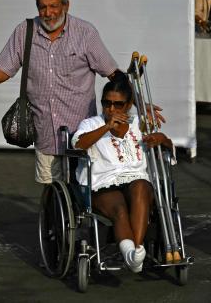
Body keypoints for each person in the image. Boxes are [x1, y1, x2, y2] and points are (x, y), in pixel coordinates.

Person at [0, 0, 164, 184]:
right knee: (52, 194)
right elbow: (4, 70)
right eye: (43, 7)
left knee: (83, 192)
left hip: (82, 134)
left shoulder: (85, 33)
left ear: (66, 5)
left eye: (54, 6)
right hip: (45, 132)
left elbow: (114, 75)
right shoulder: (25, 32)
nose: (48, 13)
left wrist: (139, 103)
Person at [72, 75, 172, 273]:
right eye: (106, 103)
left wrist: (163, 139)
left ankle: (133, 253)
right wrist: (107, 127)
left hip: (137, 181)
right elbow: (78, 144)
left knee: (142, 186)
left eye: (118, 104)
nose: (111, 109)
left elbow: (168, 150)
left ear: (128, 106)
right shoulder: (91, 124)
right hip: (103, 182)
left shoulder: (140, 124)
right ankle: (134, 254)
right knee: (119, 208)